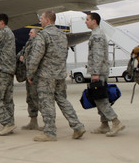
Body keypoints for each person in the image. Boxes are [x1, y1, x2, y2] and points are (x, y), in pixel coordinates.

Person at [27, 11, 86, 141]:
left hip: (46, 76)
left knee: (46, 102)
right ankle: (77, 126)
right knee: (62, 100)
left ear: (47, 20)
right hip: (59, 74)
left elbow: (35, 57)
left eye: (41, 18)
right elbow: (64, 55)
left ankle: (49, 132)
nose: (40, 21)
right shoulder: (62, 35)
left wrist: (30, 73)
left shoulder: (43, 35)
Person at [86, 12, 125, 137]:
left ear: (94, 21)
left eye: (87, 19)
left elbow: (98, 55)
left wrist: (96, 73)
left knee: (100, 99)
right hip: (99, 71)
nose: (86, 22)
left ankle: (115, 122)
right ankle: (104, 124)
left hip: (99, 72)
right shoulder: (96, 33)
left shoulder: (97, 35)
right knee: (99, 96)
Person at [17, 28, 42, 131]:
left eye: (31, 32)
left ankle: (49, 122)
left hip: (35, 76)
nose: (29, 34)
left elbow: (36, 59)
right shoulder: (28, 44)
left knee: (37, 99)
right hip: (28, 75)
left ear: (36, 34)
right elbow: (19, 54)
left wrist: (24, 59)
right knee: (30, 99)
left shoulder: (38, 44)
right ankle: (33, 122)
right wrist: (21, 57)